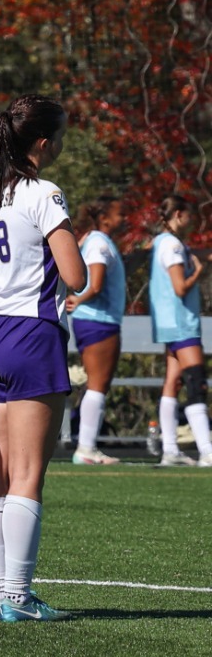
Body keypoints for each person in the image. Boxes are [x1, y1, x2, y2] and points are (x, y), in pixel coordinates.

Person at [0, 94, 87, 622]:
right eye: (59, 138)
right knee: (29, 471)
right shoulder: (44, 192)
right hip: (29, 331)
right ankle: (15, 596)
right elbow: (76, 276)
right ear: (42, 142)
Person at [148, 194, 210, 468]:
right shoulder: (173, 246)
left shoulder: (163, 242)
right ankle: (206, 450)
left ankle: (170, 450)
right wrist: (200, 272)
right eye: (190, 216)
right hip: (181, 322)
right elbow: (180, 287)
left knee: (172, 383)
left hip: (168, 322)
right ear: (178, 215)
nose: (193, 221)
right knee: (197, 382)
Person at [63, 196, 125, 464]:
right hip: (99, 320)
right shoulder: (99, 242)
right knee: (99, 385)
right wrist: (79, 300)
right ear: (104, 218)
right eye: (120, 214)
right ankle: (86, 448)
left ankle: (87, 447)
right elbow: (96, 284)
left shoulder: (93, 239)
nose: (124, 218)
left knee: (97, 384)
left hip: (94, 320)